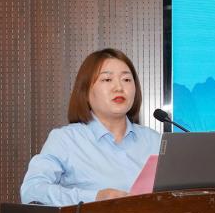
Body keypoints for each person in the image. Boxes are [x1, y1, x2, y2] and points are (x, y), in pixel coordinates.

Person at [20, 48, 162, 205]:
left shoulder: (155, 141)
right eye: (107, 79)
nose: (119, 87)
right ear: (85, 90)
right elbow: (31, 191)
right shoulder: (66, 140)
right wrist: (95, 198)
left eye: (126, 79)